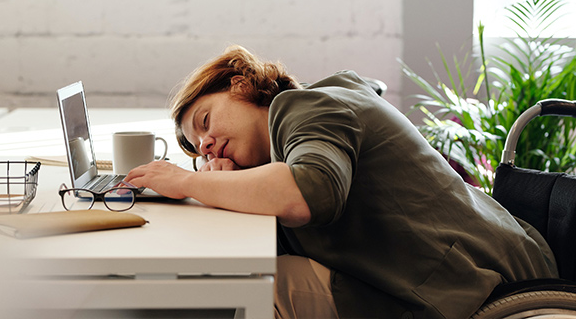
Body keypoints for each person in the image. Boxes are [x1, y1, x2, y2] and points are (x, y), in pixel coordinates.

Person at [124, 45, 559, 319]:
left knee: (249, 285)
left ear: (240, 86)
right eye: (196, 145)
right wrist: (225, 188)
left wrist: (188, 183)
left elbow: (309, 193)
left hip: (473, 283)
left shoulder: (306, 108)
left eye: (205, 121)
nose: (206, 145)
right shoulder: (299, 125)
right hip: (461, 268)